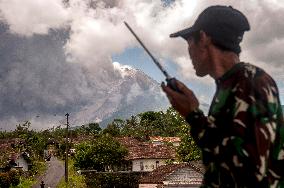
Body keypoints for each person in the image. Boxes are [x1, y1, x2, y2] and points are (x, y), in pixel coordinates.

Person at [162, 5, 284, 187]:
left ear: (203, 38)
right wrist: (193, 113)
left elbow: (248, 173)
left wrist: (193, 116)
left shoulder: (252, 83)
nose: (189, 55)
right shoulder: (229, 87)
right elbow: (220, 154)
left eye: (189, 44)